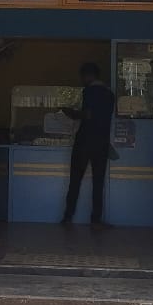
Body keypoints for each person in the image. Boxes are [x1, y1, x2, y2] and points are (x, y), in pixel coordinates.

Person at [60, 62, 116, 226]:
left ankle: (68, 216)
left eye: (82, 77)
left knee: (75, 180)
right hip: (102, 143)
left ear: (88, 76)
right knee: (98, 183)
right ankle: (96, 219)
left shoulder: (89, 91)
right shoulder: (110, 94)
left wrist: (71, 113)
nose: (82, 80)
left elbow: (88, 114)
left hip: (84, 142)